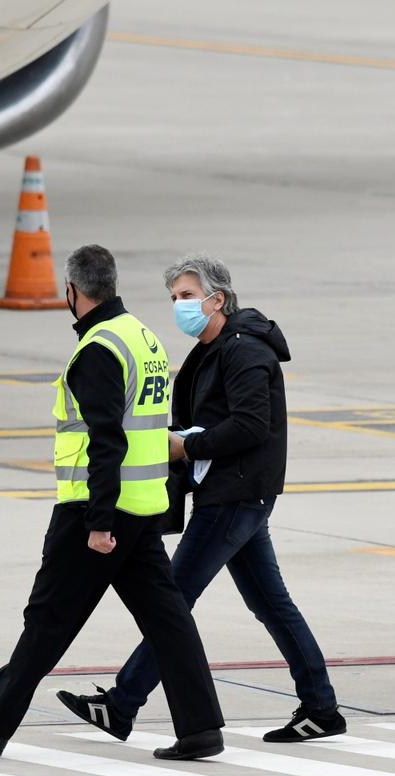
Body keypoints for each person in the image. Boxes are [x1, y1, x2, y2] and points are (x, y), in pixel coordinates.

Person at [0, 244, 226, 761]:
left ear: (72, 291)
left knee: (49, 618)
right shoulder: (144, 338)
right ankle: (201, 727)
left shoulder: (99, 349)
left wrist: (98, 520)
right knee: (168, 620)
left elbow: (105, 440)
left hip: (95, 511)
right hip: (142, 506)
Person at [58, 254, 346, 743]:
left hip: (235, 495)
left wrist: (187, 444)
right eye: (174, 298)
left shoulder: (244, 351)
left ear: (218, 299)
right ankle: (321, 707)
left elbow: (252, 425)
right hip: (235, 493)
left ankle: (122, 704)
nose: (180, 306)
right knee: (270, 603)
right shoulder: (210, 350)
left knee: (170, 601)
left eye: (188, 296)